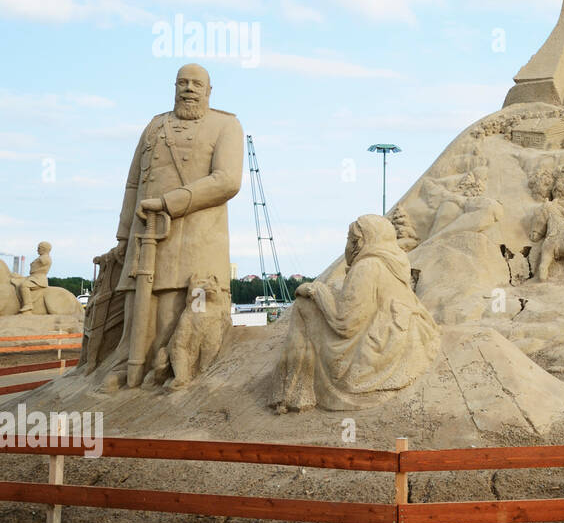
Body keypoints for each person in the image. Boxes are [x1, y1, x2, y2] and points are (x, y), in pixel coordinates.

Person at [94, 63, 243, 390]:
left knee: (178, 304)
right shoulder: (154, 125)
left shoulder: (226, 125)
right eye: (182, 82)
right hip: (143, 232)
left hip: (195, 232)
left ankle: (170, 367)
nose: (188, 88)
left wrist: (170, 202)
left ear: (209, 91)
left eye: (196, 84)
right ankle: (128, 364)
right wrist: (123, 235)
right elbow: (133, 183)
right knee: (138, 303)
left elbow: (227, 180)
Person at [274, 215, 440, 412]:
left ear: (359, 242)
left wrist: (316, 291)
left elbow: (345, 323)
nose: (347, 244)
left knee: (303, 306)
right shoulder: (394, 264)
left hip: (375, 356)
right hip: (403, 338)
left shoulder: (366, 267)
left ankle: (296, 395)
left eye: (349, 238)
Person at [17, 242, 51, 314]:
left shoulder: (45, 257)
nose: (37, 250)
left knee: (24, 285)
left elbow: (46, 261)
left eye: (39, 248)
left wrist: (43, 256)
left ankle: (28, 304)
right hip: (32, 277)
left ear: (44, 249)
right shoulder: (41, 257)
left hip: (38, 279)